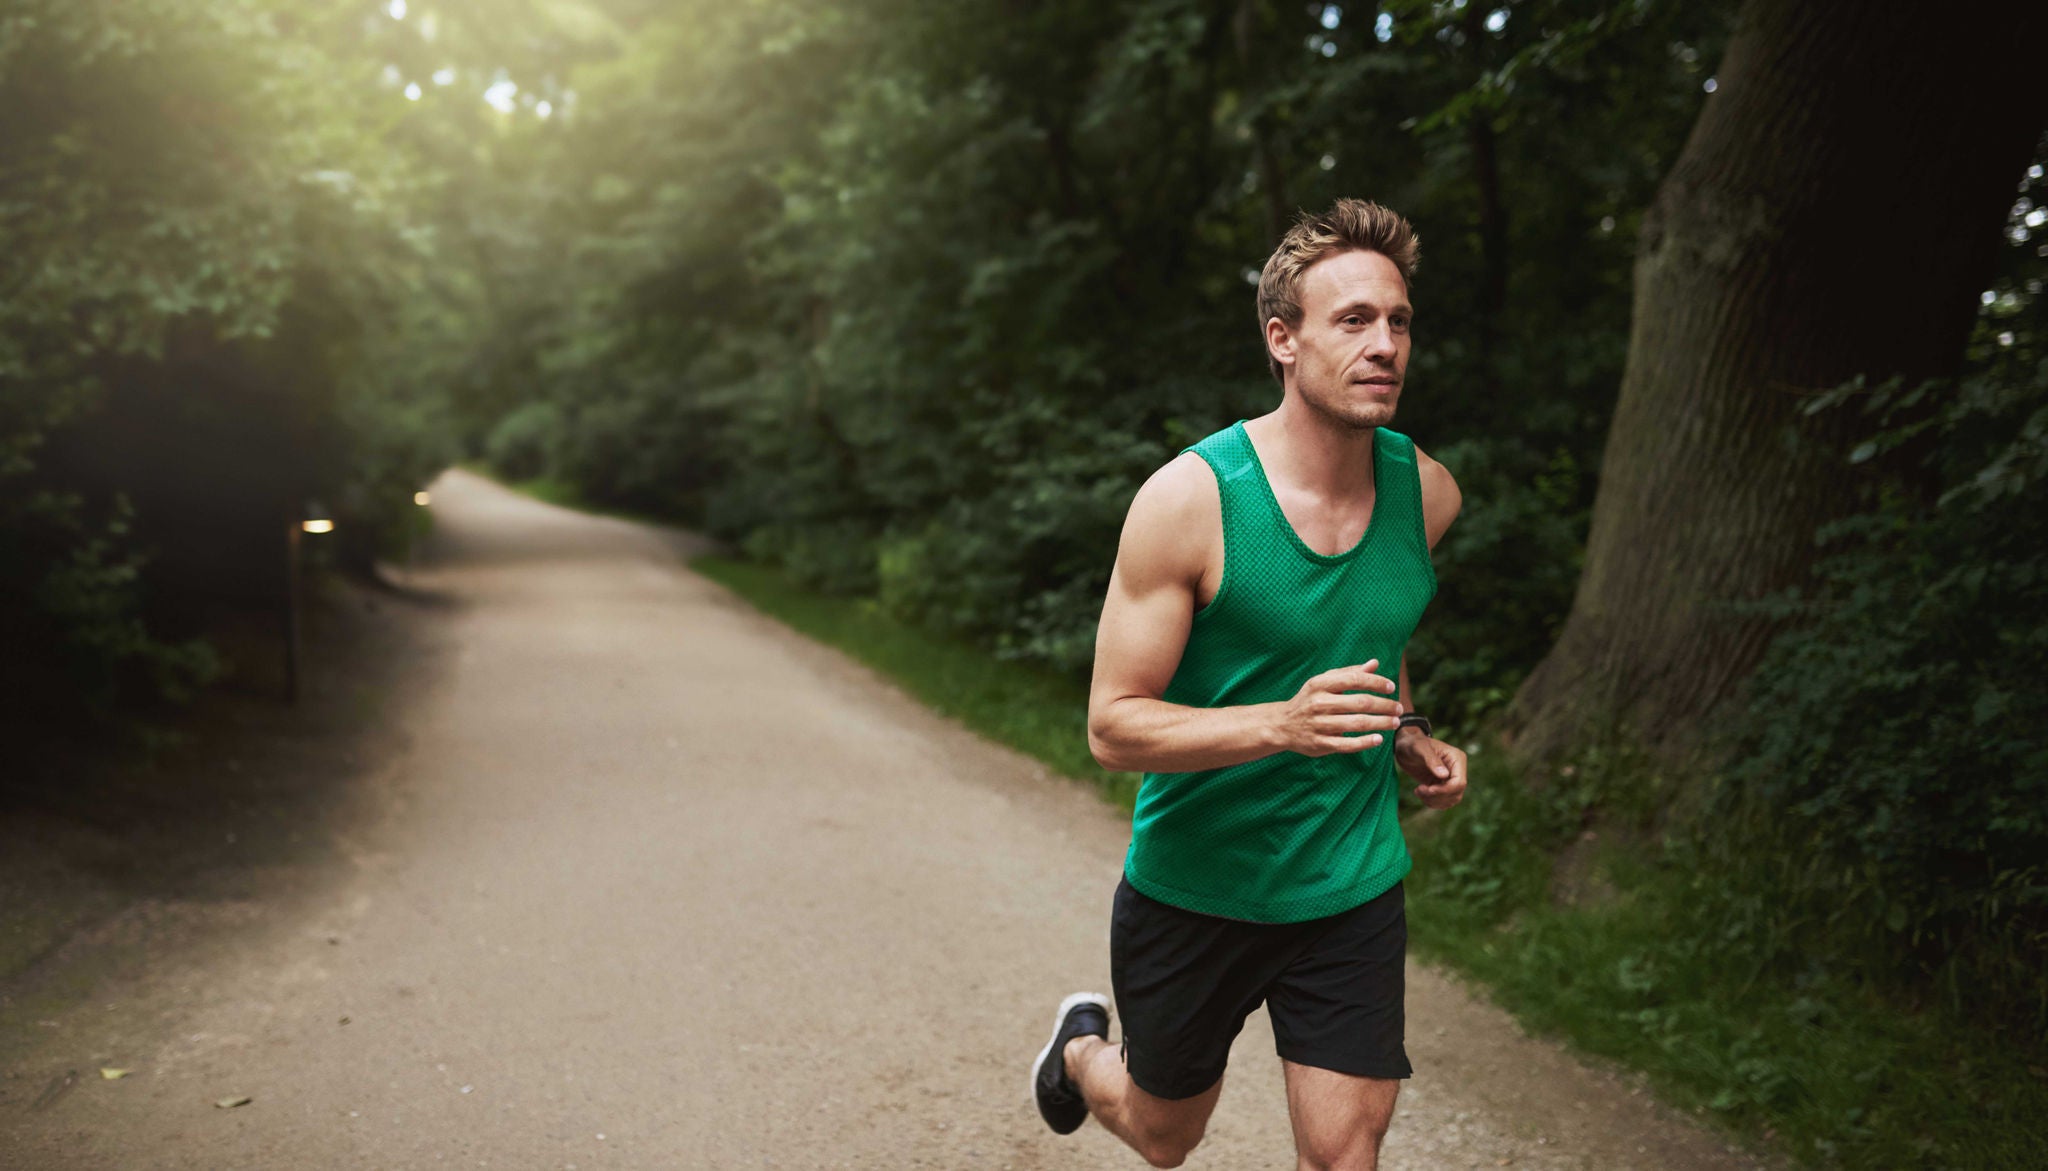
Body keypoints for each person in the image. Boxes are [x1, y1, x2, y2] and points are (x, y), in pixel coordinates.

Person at [1028, 199, 1469, 1170]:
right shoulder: (1190, 501)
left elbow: (1371, 628)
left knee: (1342, 1153)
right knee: (1162, 1133)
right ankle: (1076, 1053)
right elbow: (1111, 727)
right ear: (1283, 338)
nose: (1383, 343)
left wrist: (1406, 725)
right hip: (1198, 886)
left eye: (1397, 321)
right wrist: (1280, 723)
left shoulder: (1424, 493)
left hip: (1348, 884)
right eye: (1351, 320)